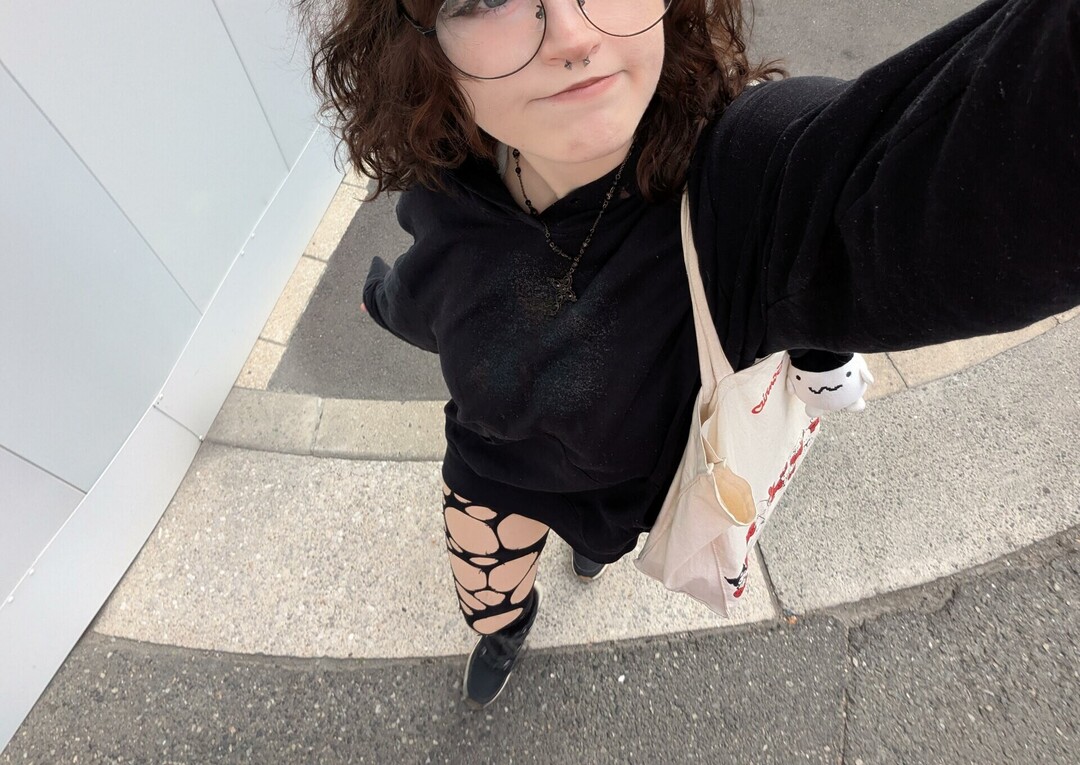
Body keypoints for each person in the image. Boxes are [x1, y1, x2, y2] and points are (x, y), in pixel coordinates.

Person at [296, 0, 1080, 708]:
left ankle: (591, 547)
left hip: (636, 487)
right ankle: (507, 631)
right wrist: (384, 300)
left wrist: (818, 350)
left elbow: (966, 171)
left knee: (595, 542)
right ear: (418, 42)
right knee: (487, 599)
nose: (572, 34)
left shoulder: (738, 184)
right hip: (495, 469)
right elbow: (436, 296)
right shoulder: (449, 183)